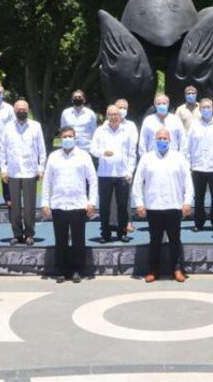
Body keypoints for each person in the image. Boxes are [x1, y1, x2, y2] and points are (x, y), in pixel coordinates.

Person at [132, 127, 193, 283]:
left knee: (175, 239)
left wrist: (187, 201)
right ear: (155, 140)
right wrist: (139, 203)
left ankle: (177, 269)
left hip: (174, 205)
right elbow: (137, 182)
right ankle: (153, 270)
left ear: (170, 140)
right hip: (154, 206)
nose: (162, 141)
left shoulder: (179, 158)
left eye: (165, 138)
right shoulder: (146, 158)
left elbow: (188, 181)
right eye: (159, 138)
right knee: (155, 240)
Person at [42, 126, 98, 283]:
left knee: (78, 239)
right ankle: (61, 270)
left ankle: (77, 270)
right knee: (60, 239)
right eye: (64, 136)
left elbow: (92, 180)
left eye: (70, 136)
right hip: (59, 204)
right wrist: (45, 202)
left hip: (78, 204)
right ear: (60, 139)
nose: (67, 139)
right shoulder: (53, 157)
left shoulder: (84, 156)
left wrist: (92, 202)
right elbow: (47, 181)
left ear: (75, 138)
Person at [0, 100, 47, 246]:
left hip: (30, 171)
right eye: (18, 109)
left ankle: (29, 234)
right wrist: (3, 169)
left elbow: (42, 149)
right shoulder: (7, 127)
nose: (21, 111)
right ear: (14, 110)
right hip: (13, 172)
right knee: (14, 206)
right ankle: (17, 234)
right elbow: (3, 150)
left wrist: (41, 168)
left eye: (24, 109)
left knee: (29, 206)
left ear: (28, 110)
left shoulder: (36, 126)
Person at [91, 105, 137, 242]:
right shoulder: (100, 131)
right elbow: (93, 149)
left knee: (122, 206)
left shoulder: (126, 131)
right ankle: (105, 234)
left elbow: (132, 153)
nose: (113, 117)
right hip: (105, 174)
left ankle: (122, 233)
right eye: (110, 114)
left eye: (116, 114)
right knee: (104, 206)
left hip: (122, 174)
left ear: (120, 116)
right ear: (107, 115)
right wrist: (102, 153)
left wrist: (130, 171)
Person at [186, 98, 213, 232]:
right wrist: (188, 164)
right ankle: (199, 223)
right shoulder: (194, 125)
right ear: (200, 109)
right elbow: (188, 145)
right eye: (203, 107)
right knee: (199, 197)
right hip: (198, 166)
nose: (206, 109)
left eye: (208, 107)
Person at [115, 98, 140, 235]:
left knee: (126, 196)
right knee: (111, 198)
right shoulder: (106, 126)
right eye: (119, 107)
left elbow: (132, 147)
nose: (122, 110)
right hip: (110, 168)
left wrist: (130, 169)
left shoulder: (131, 126)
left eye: (124, 108)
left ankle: (128, 221)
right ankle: (113, 223)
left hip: (126, 167)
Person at [60, 89, 98, 157]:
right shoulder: (65, 113)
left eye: (79, 97)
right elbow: (63, 131)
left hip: (86, 148)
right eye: (75, 97)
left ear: (84, 100)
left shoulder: (91, 114)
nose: (77, 99)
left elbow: (94, 133)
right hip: (70, 147)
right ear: (72, 100)